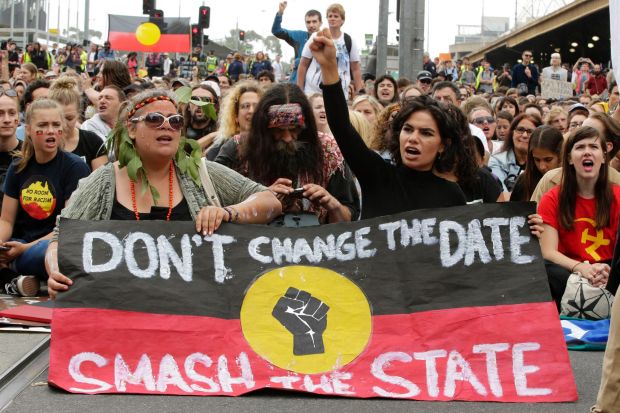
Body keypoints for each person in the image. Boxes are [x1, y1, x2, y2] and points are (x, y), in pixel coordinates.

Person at [46, 89, 282, 299]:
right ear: (131, 129)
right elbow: (61, 237)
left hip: (191, 313)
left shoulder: (201, 173)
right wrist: (55, 270)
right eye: (154, 119)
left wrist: (228, 213)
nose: (167, 125)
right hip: (120, 313)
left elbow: (269, 201)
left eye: (176, 120)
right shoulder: (103, 180)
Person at [307, 28, 466, 219]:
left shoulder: (452, 195)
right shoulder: (377, 175)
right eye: (408, 129)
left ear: (443, 145)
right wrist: (329, 67)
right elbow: (341, 127)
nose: (413, 138)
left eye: (426, 133)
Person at [214, 83, 359, 225]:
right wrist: (260, 198)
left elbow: (349, 218)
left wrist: (331, 203)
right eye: (279, 130)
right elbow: (212, 199)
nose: (288, 138)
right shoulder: (237, 149)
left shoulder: (329, 151)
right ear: (264, 129)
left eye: (295, 129)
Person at [1, 99, 90, 296]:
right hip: (20, 242)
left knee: (52, 253)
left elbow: (68, 227)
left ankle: (8, 273)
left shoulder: (75, 167)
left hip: (53, 245)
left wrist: (23, 250)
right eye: (43, 125)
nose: (50, 131)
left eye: (56, 125)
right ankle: (13, 278)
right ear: (28, 131)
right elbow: (6, 220)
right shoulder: (17, 167)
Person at [538, 126, 620, 308]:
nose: (587, 153)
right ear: (569, 158)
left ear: (604, 156)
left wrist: (609, 273)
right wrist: (581, 268)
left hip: (609, 273)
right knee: (542, 267)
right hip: (568, 274)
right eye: (580, 147)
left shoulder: (618, 196)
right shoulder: (552, 198)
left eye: (593, 147)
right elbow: (548, 251)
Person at [297, 3, 363, 97]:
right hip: (313, 93)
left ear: (342, 20)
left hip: (339, 94)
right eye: (330, 16)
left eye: (336, 16)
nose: (332, 18)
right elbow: (303, 64)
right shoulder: (316, 37)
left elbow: (355, 68)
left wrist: (360, 92)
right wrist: (299, 90)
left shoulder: (350, 41)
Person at [48, 76, 108, 171]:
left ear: (78, 114)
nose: (64, 124)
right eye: (58, 119)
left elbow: (101, 182)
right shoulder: (43, 142)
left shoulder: (92, 142)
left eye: (69, 118)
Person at [206, 81, 262, 160]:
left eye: (256, 106)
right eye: (245, 106)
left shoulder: (273, 145)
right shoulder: (222, 147)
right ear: (235, 116)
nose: (251, 111)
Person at [488, 113, 543, 193]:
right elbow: (502, 195)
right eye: (520, 130)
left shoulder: (544, 161)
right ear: (512, 133)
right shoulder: (497, 160)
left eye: (530, 132)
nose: (524, 135)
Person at [271, 2, 321, 84]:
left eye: (314, 21)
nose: (311, 25)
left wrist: (298, 61)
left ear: (320, 23)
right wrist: (280, 13)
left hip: (317, 86)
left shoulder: (328, 40)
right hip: (297, 84)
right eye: (308, 22)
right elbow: (276, 31)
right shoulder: (299, 36)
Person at [510, 125, 563, 202]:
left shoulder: (573, 180)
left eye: (548, 160)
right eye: (537, 160)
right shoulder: (523, 182)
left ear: (560, 155)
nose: (542, 167)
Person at [182, 84, 219, 150]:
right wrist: (211, 136)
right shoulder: (178, 129)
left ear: (215, 107)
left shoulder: (223, 133)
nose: (199, 104)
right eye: (194, 99)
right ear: (188, 106)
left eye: (206, 100)